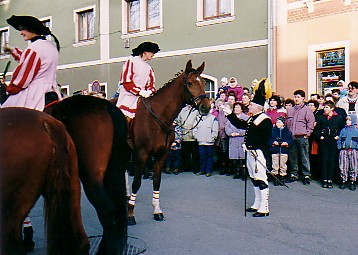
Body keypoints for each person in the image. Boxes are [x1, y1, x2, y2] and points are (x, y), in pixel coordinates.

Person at [224, 78, 273, 217]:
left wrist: (251, 145)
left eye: (252, 104)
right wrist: (229, 114)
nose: (249, 106)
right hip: (251, 152)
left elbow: (264, 138)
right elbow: (240, 125)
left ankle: (264, 207)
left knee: (261, 178)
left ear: (258, 106)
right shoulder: (252, 118)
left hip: (259, 153)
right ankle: (257, 203)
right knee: (253, 177)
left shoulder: (265, 120)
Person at [1, 15, 61, 111]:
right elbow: (32, 61)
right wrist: (13, 51)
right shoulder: (51, 46)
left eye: (22, 29)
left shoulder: (34, 48)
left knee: (5, 114)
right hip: (51, 90)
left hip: (34, 95)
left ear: (31, 29)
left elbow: (23, 77)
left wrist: (10, 89)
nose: (21, 33)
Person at [116, 41, 160, 119]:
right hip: (129, 95)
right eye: (151, 52)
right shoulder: (131, 61)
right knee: (123, 116)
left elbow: (151, 84)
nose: (153, 54)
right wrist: (139, 92)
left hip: (143, 96)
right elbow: (126, 82)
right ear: (145, 52)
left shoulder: (149, 68)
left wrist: (149, 92)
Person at [286, 89, 315, 185]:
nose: (296, 99)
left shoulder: (307, 110)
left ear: (303, 98)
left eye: (298, 97)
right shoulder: (290, 110)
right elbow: (287, 123)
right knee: (293, 157)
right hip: (292, 137)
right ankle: (294, 174)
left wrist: (308, 133)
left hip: (302, 137)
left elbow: (310, 123)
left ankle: (306, 175)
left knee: (304, 157)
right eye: (295, 97)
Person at [314, 100, 345, 189]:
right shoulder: (321, 117)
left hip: (333, 140)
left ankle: (330, 179)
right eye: (324, 107)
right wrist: (320, 136)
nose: (325, 109)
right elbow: (317, 129)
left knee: (331, 160)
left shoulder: (338, 117)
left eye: (327, 107)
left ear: (332, 108)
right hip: (324, 140)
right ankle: (324, 179)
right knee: (324, 159)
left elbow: (341, 128)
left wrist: (338, 136)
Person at [224, 102, 248, 179]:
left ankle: (244, 173)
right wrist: (231, 133)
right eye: (235, 108)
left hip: (242, 139)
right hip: (233, 139)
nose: (236, 109)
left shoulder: (246, 117)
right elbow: (226, 127)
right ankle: (237, 172)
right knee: (235, 157)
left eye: (238, 107)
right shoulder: (230, 118)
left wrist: (239, 133)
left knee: (243, 157)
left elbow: (248, 128)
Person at [269, 116, 293, 185]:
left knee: (283, 164)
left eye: (279, 122)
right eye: (277, 122)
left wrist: (286, 143)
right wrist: (273, 142)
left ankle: (282, 176)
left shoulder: (287, 131)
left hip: (283, 150)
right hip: (275, 150)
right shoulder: (273, 130)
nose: (278, 124)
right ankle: (275, 177)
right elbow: (269, 139)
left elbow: (290, 140)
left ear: (283, 124)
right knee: (275, 164)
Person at [193, 112, 219, 177]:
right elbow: (194, 128)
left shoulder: (213, 118)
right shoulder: (197, 118)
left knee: (209, 157)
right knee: (202, 157)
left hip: (209, 141)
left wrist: (213, 137)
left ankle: (208, 171)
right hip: (200, 141)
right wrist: (196, 136)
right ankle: (202, 170)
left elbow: (215, 130)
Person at [177, 104, 200, 173]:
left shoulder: (196, 111)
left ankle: (195, 168)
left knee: (195, 153)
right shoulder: (182, 111)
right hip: (184, 136)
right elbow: (179, 121)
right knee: (185, 153)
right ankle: (186, 167)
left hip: (193, 136)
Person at [337, 115, 358, 190]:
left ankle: (352, 180)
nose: (347, 121)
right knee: (343, 165)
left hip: (353, 151)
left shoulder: (356, 131)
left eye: (349, 120)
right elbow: (339, 139)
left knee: (354, 166)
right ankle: (343, 180)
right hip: (344, 150)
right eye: (347, 120)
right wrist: (340, 147)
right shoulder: (343, 130)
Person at [215, 98, 230, 175]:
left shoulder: (225, 114)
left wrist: (222, 128)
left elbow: (225, 124)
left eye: (221, 104)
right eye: (219, 104)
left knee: (225, 152)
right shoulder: (218, 113)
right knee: (221, 152)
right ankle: (222, 167)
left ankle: (226, 168)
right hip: (219, 135)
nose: (220, 106)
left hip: (225, 134)